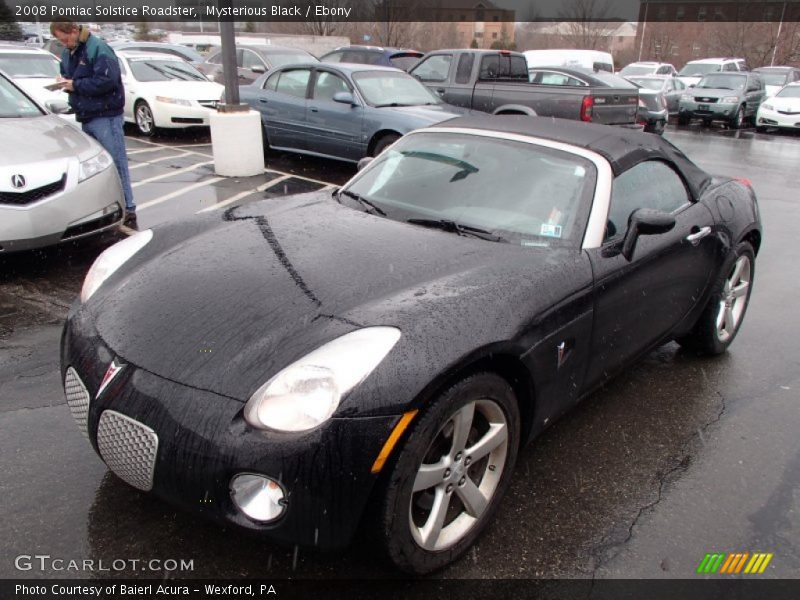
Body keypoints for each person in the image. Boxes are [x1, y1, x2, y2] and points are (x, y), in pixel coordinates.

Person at [49, 21, 137, 225]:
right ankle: (108, 206)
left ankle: (128, 207)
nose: (64, 44)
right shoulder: (69, 53)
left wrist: (75, 85)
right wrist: (62, 81)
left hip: (105, 115)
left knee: (116, 163)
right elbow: (70, 75)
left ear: (73, 31)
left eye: (65, 39)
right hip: (86, 114)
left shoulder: (97, 48)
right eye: (59, 41)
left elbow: (107, 80)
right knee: (96, 166)